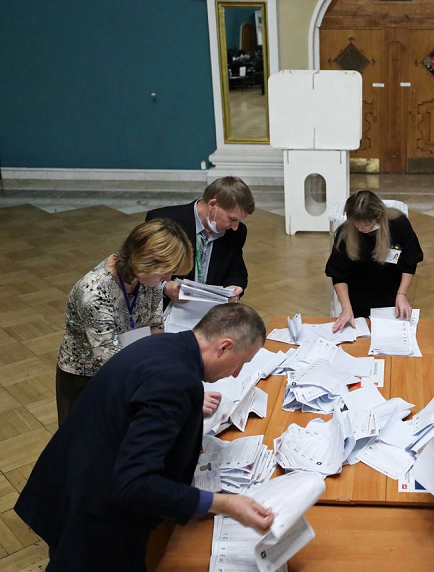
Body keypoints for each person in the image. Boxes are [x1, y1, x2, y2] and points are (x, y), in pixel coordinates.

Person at [15, 304, 274, 571]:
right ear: (224, 346)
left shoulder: (167, 345)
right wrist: (223, 503)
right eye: (241, 362)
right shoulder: (176, 382)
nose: (236, 373)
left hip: (74, 475)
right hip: (94, 510)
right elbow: (135, 483)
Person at [55, 218, 194, 425]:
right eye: (165, 271)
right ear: (146, 261)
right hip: (85, 379)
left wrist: (166, 368)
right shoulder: (94, 293)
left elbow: (155, 325)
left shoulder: (148, 278)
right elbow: (110, 361)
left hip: (130, 365)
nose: (168, 278)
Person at [146, 176, 255, 304]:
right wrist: (164, 286)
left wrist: (235, 287)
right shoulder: (163, 221)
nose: (235, 227)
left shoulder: (237, 233)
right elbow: (143, 269)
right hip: (169, 309)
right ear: (212, 204)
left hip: (211, 310)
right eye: (232, 219)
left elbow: (237, 271)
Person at [326, 190, 423, 331]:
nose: (360, 229)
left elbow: (410, 262)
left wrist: (402, 294)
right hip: (357, 302)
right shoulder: (345, 233)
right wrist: (346, 308)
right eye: (355, 223)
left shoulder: (398, 225)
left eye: (364, 224)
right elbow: (338, 274)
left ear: (377, 216)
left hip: (392, 299)